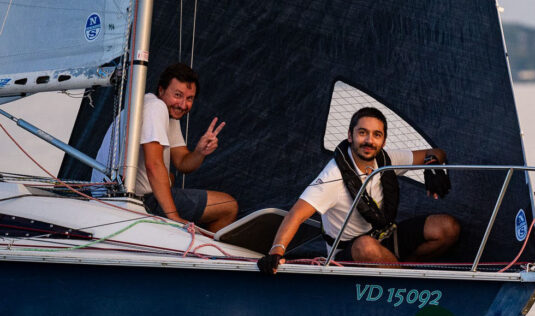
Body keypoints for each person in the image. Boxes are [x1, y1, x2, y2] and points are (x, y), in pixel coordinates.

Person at [257, 107, 460, 274]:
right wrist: (276, 250)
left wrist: (432, 164)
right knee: (366, 246)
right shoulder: (332, 176)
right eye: (362, 133)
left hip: (386, 237)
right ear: (350, 136)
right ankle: (406, 283)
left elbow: (436, 152)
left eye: (376, 135)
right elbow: (296, 214)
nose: (369, 141)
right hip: (350, 253)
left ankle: (401, 269)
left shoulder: (386, 159)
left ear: (384, 140)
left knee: (447, 227)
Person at [94, 63, 238, 231]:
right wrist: (173, 217)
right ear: (161, 90)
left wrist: (199, 152)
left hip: (112, 196)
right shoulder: (157, 107)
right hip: (126, 199)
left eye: (189, 98)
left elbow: (183, 163)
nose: (183, 105)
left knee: (170, 177)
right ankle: (195, 255)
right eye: (178, 95)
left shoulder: (166, 113)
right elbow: (153, 165)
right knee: (228, 207)